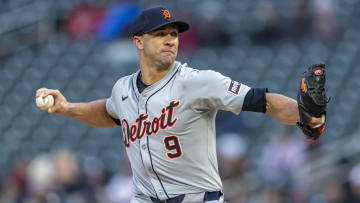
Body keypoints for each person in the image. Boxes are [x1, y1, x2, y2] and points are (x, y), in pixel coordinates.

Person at [36, 7, 323, 203]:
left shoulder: (197, 82)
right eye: (160, 34)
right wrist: (68, 108)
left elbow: (264, 101)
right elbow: (109, 111)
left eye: (173, 33)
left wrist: (305, 114)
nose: (170, 40)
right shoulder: (122, 88)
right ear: (138, 41)